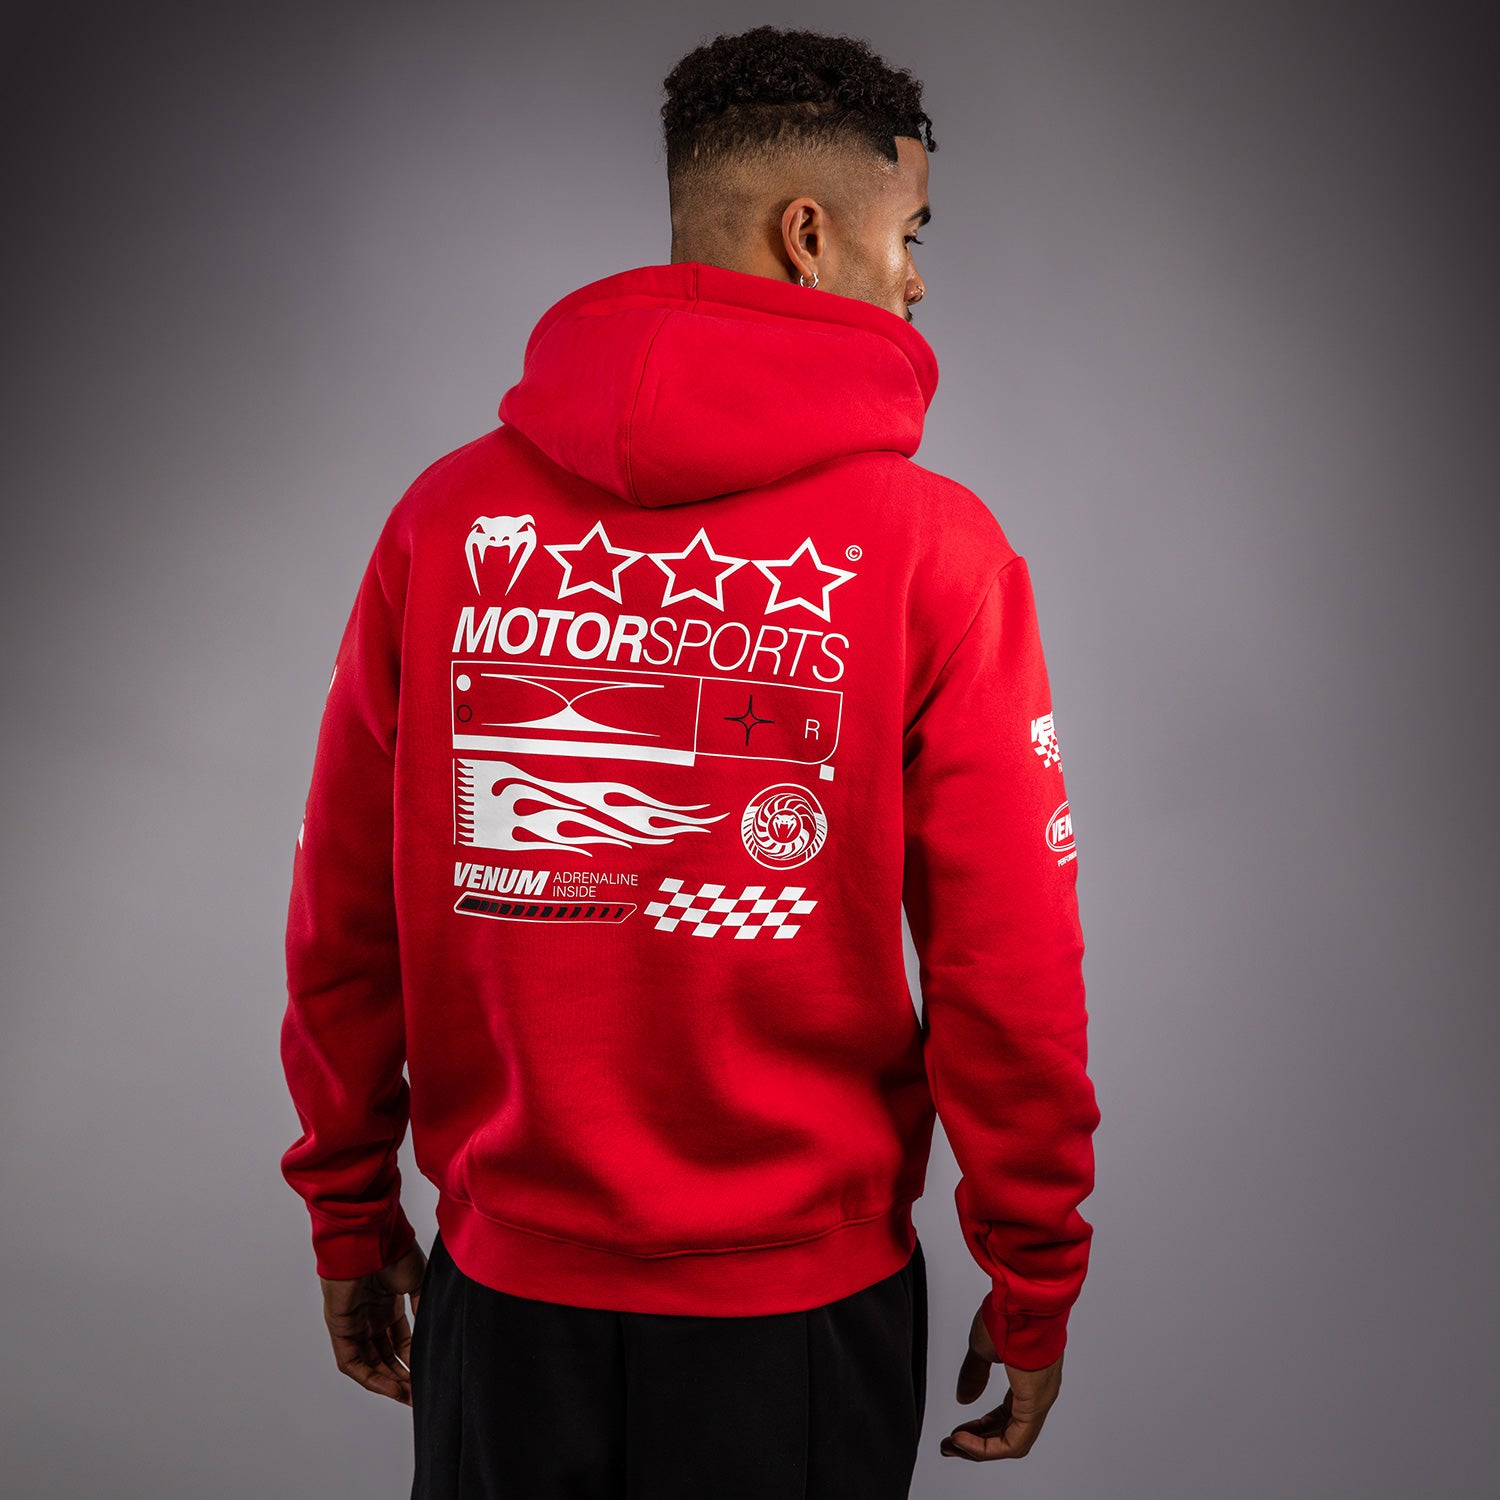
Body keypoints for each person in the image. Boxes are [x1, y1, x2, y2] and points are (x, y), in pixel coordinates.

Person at [278, 23, 1100, 1498]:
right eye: (910, 234)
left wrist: (349, 1209)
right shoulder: (935, 551)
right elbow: (1009, 967)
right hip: (798, 1319)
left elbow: (342, 913)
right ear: (809, 235)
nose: (915, 279)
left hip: (506, 1306)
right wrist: (1031, 1268)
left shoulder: (444, 520)